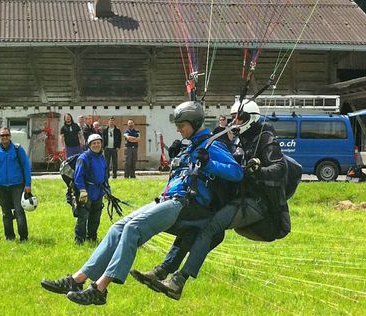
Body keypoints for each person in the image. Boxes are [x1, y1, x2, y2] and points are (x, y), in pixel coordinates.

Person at [40, 101, 243, 306]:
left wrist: (209, 163)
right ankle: (77, 280)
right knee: (117, 228)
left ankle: (100, 289)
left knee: (132, 229)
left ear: (195, 122)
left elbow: (237, 172)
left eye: (182, 125)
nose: (178, 128)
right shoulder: (191, 145)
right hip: (167, 199)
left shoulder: (212, 145)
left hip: (185, 204)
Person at [134, 99, 287, 300]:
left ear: (252, 118)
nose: (236, 121)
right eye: (234, 118)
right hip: (238, 198)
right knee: (196, 226)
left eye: (240, 118)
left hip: (257, 202)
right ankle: (162, 271)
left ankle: (178, 281)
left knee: (210, 227)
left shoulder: (266, 138)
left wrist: (256, 170)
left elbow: (279, 168)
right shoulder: (240, 139)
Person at [0, 127, 33, 242]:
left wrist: (28, 185)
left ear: (10, 136)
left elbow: (26, 167)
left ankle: (24, 238)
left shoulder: (18, 149)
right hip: (2, 187)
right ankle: (10, 238)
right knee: (6, 213)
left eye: (6, 135)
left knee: (19, 211)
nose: (4, 137)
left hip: (17, 185)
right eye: (2, 135)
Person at [74, 133, 110, 245]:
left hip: (99, 191)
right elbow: (78, 176)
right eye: (94, 143)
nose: (96, 145)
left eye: (98, 143)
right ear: (89, 145)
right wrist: (82, 190)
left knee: (95, 216)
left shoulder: (102, 157)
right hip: (87, 191)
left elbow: (105, 175)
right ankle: (79, 240)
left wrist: (107, 190)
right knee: (83, 216)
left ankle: (92, 238)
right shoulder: (83, 158)